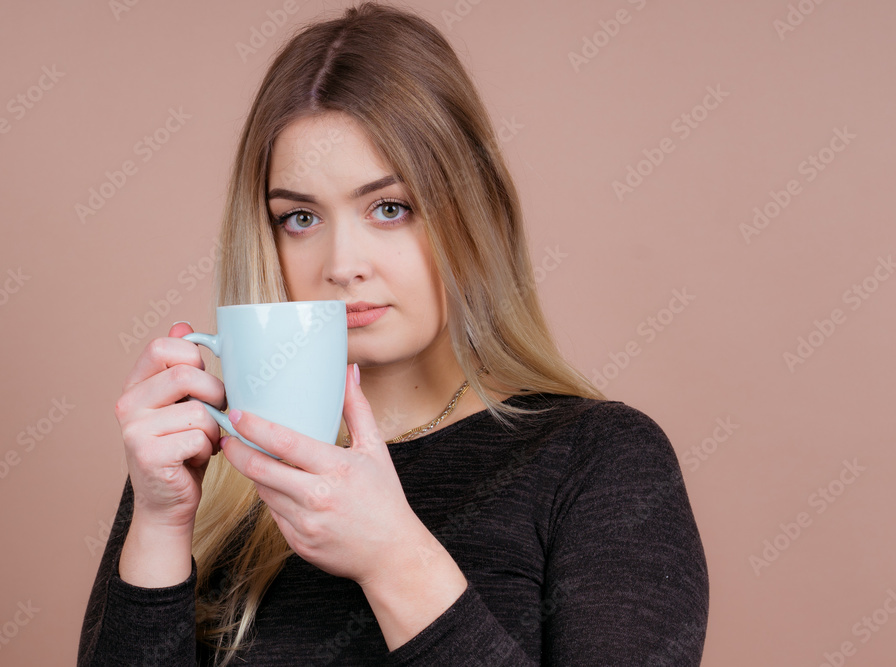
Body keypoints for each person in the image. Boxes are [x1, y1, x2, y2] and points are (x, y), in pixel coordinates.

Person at [78, 3, 709, 665]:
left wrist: (393, 558)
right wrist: (159, 524)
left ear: (473, 212)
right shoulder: (208, 474)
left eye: (389, 207)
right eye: (300, 218)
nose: (342, 264)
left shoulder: (601, 460)